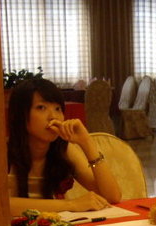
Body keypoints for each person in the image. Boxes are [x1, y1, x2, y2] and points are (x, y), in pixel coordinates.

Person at [7, 78, 121, 216]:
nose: (53, 117)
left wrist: (86, 142)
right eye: (41, 108)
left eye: (58, 109)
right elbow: (2, 204)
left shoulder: (63, 149)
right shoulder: (3, 151)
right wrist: (71, 204)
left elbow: (112, 196)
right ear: (20, 114)